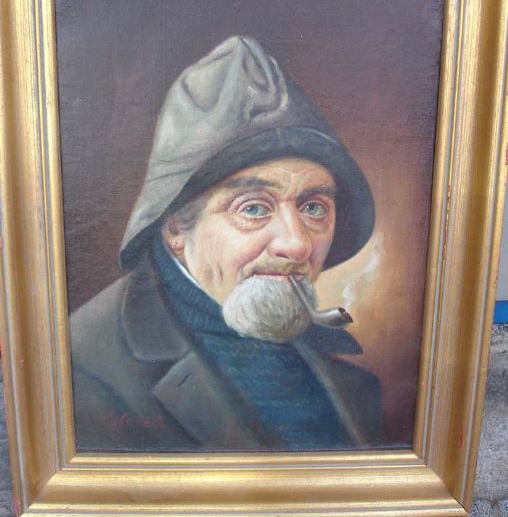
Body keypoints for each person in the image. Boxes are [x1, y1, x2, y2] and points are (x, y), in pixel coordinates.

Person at [70, 36, 382, 452]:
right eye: (253, 208)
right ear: (175, 229)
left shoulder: (351, 381)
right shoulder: (83, 370)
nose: (297, 244)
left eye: (313, 207)